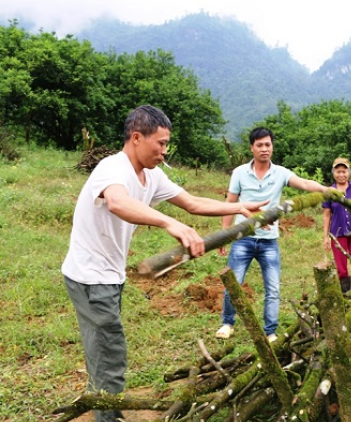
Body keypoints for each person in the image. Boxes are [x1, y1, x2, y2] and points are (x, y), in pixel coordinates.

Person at [62, 105, 268, 422]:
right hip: (90, 276)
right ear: (136, 138)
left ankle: (105, 408)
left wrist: (240, 206)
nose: (164, 151)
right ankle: (109, 417)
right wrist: (169, 224)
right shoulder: (111, 168)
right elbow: (117, 202)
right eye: (160, 143)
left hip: (109, 275)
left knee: (102, 349)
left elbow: (193, 203)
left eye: (166, 143)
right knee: (109, 351)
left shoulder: (152, 176)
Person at [216, 127, 331, 340]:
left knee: (273, 287)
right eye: (259, 145)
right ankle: (227, 323)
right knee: (234, 283)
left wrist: (327, 190)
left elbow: (305, 184)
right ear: (252, 148)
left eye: (267, 144)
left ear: (272, 147)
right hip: (243, 237)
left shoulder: (281, 173)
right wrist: (225, 233)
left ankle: (270, 331)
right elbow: (230, 203)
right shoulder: (240, 172)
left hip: (269, 241)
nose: (264, 149)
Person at [322, 157, 351, 293]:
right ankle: (346, 295)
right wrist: (325, 237)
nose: (341, 175)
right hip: (337, 233)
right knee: (341, 268)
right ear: (333, 173)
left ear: (349, 172)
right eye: (338, 172)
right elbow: (326, 215)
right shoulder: (329, 191)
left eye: (344, 171)